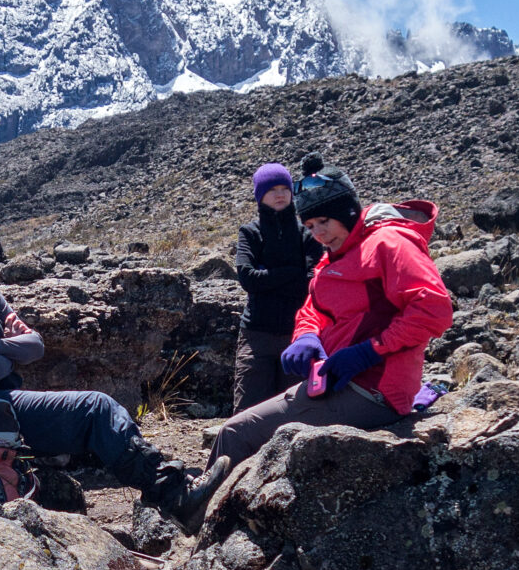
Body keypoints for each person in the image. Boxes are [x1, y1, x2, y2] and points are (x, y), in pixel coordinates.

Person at [178, 164, 454, 521]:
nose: (318, 234)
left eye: (324, 222)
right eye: (310, 226)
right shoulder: (340, 250)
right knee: (236, 430)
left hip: (373, 390)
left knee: (237, 435)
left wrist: (368, 351)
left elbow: (433, 310)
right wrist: (306, 336)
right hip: (340, 380)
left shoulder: (388, 244)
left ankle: (199, 521)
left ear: (346, 212)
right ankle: (209, 518)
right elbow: (313, 305)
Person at [0, 189, 193, 509]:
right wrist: (5, 356)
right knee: (96, 409)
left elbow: (36, 346)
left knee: (95, 415)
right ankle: (173, 495)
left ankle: (166, 493)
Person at [233, 161, 319, 412]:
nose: (280, 194)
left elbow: (314, 281)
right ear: (260, 195)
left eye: (285, 187)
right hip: (256, 335)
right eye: (272, 189)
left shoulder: (307, 231)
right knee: (247, 411)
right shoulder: (250, 232)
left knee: (295, 410)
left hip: (298, 335)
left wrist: (269, 279)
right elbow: (248, 278)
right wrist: (293, 273)